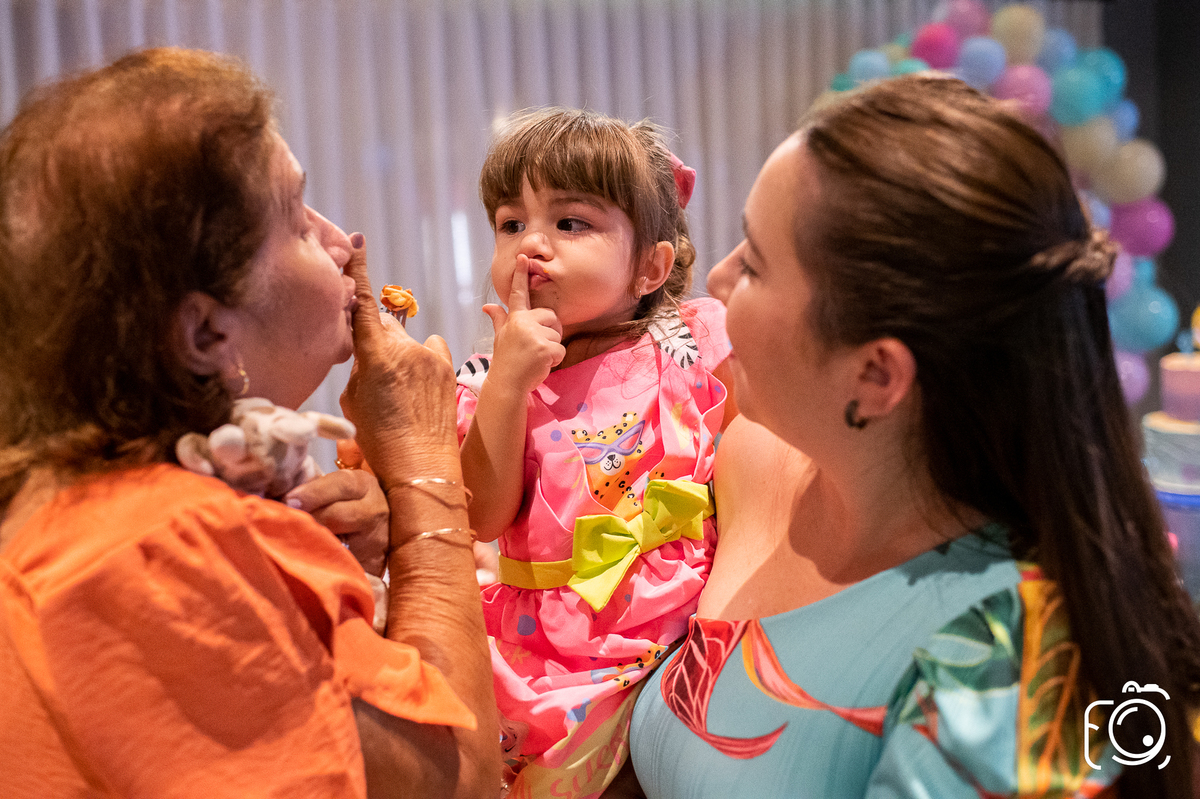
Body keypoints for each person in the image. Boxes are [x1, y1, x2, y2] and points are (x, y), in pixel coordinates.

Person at [626, 75, 1200, 798]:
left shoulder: (1004, 670)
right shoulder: (749, 458)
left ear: (875, 374)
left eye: (757, 262)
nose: (718, 274)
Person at [0, 47, 498, 798]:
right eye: (297, 219)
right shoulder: (160, 545)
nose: (341, 243)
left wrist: (326, 573)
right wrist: (425, 463)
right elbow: (453, 774)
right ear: (202, 336)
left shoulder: (99, 496)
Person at [455, 108, 735, 797]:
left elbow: (764, 443)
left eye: (569, 223)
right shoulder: (485, 377)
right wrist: (508, 385)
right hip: (552, 654)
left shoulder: (691, 335)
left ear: (649, 267)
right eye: (511, 223)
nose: (531, 246)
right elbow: (483, 515)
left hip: (685, 628)